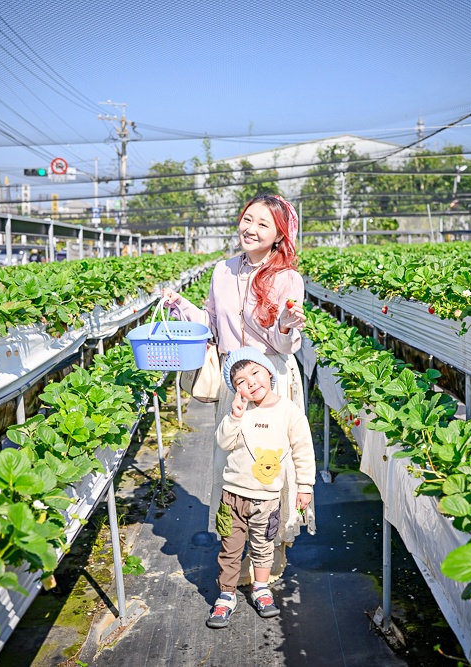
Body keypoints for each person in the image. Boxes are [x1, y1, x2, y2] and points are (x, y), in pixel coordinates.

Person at [161, 193, 309, 579]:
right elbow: (211, 325)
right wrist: (180, 306)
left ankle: (272, 549)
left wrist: (286, 326)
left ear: (279, 234)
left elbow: (281, 343)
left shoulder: (287, 278)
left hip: (271, 378)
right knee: (232, 462)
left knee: (274, 463)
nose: (251, 228)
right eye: (247, 219)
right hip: (234, 378)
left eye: (263, 223)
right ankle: (236, 548)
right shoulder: (222, 271)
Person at [207, 347, 315, 628]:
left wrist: (305, 486)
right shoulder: (238, 412)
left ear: (269, 372)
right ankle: (226, 595)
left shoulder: (288, 411)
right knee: (230, 548)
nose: (250, 382)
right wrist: (234, 417)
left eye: (255, 372)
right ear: (235, 389)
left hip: (267, 499)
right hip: (232, 495)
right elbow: (223, 442)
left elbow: (303, 449)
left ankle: (262, 588)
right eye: (240, 381)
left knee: (263, 546)